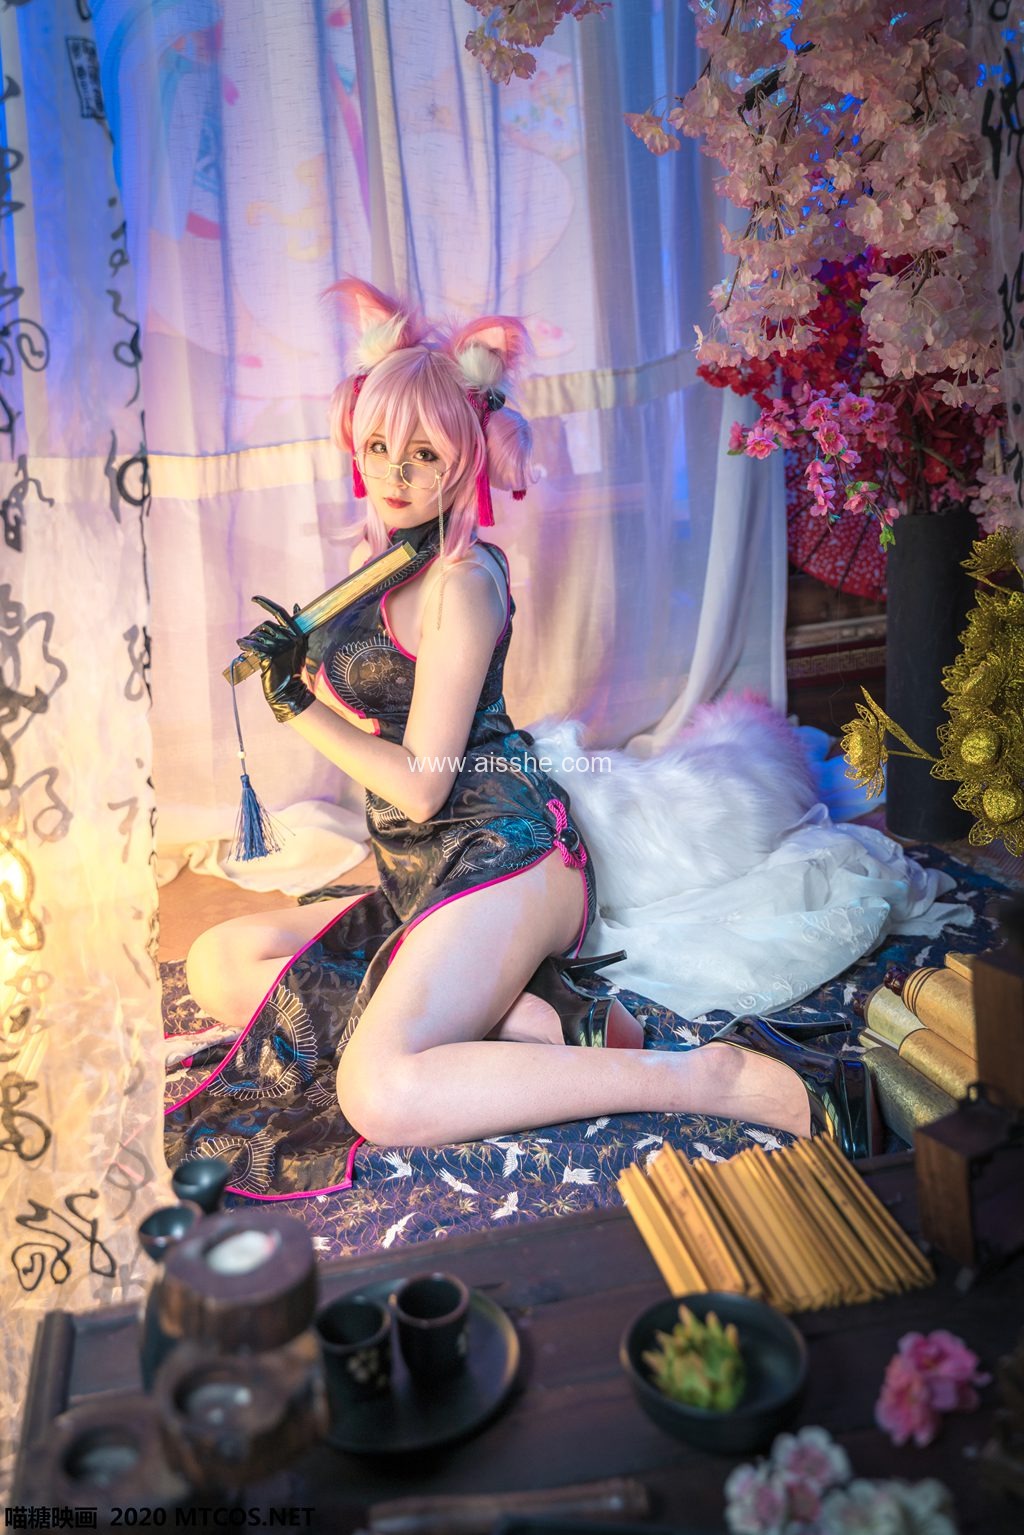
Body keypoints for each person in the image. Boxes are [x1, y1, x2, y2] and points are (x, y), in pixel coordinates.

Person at [167, 279, 870, 1201]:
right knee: (217, 962)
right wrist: (302, 662)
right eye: (378, 448)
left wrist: (300, 707)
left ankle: (707, 1076)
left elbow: (423, 784)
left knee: (377, 1090)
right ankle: (523, 1020)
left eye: (423, 454)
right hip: (419, 868)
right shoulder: (381, 565)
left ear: (463, 458)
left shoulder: (462, 583)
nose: (395, 473)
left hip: (503, 851)